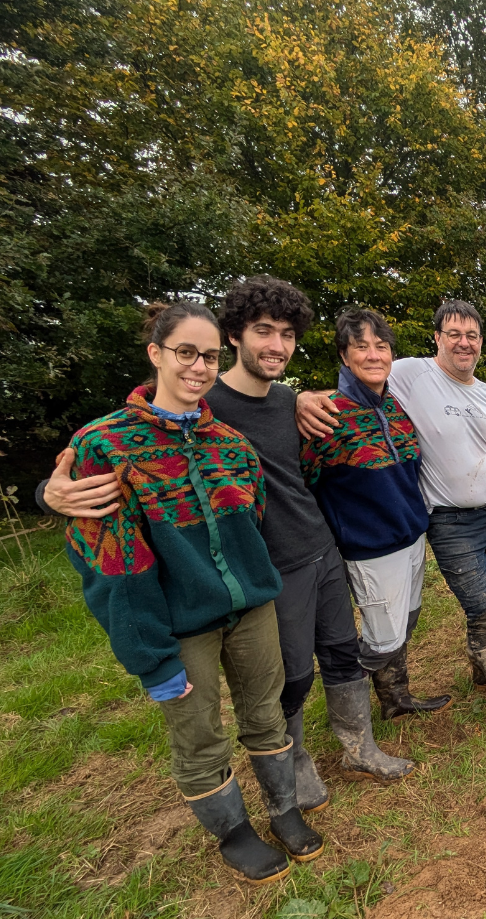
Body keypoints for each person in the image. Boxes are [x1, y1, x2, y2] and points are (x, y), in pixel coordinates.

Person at [40, 276, 415, 813]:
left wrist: (305, 397)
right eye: (263, 331)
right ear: (235, 336)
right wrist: (48, 493)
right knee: (290, 674)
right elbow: (111, 449)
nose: (276, 345)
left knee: (341, 654)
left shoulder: (292, 401)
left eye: (287, 334)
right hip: (265, 567)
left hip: (321, 549)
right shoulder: (202, 401)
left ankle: (360, 748)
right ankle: (298, 763)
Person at [60, 301, 322, 884]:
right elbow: (112, 563)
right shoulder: (107, 445)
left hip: (251, 606)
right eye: (185, 352)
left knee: (265, 710)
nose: (198, 366)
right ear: (156, 354)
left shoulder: (229, 443)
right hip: (181, 623)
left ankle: (284, 807)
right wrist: (149, 655)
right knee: (199, 730)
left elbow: (251, 523)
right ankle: (233, 830)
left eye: (206, 355)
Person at [297, 300, 486, 751]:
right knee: (480, 608)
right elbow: (357, 380)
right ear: (438, 338)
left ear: (481, 342)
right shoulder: (410, 374)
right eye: (454, 333)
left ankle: (464, 674)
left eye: (472, 335)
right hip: (449, 523)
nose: (464, 342)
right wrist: (303, 397)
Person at [299, 307, 451, 723]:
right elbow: (304, 481)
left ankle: (395, 697)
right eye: (360, 347)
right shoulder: (325, 414)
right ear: (344, 356)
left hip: (411, 534)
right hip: (368, 546)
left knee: (407, 619)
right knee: (382, 640)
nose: (373, 355)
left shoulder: (396, 409)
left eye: (381, 346)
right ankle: (343, 691)